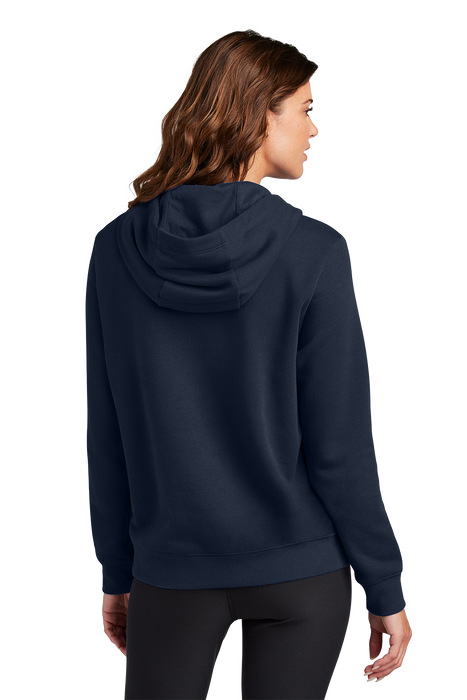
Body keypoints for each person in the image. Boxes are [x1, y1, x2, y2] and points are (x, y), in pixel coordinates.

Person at [85, 25, 414, 699]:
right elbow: (340, 447)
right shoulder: (314, 251)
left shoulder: (115, 251)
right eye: (306, 108)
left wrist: (116, 572)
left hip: (170, 573)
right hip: (302, 572)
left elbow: (108, 432)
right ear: (259, 113)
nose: (315, 127)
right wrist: (385, 584)